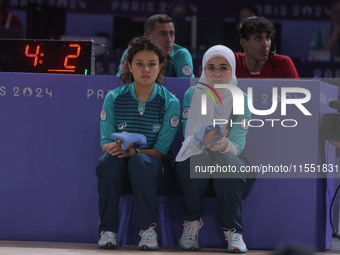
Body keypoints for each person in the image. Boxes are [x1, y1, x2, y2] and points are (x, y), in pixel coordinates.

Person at [96, 36, 180, 250]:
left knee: (140, 162)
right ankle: (108, 231)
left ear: (160, 67)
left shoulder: (170, 102)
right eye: (139, 64)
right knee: (107, 161)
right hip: (122, 171)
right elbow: (105, 142)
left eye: (152, 64)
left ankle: (147, 231)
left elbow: (161, 152)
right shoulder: (114, 98)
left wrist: (134, 153)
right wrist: (119, 149)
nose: (146, 69)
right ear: (129, 67)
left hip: (155, 174)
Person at [175, 45, 255, 253]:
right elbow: (189, 136)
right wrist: (204, 140)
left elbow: (238, 144)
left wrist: (225, 145)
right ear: (203, 69)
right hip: (197, 156)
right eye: (211, 68)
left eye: (223, 67)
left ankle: (234, 231)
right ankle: (191, 223)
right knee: (195, 158)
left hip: (227, 160)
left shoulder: (242, 99)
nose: (217, 73)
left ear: (233, 70)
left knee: (227, 162)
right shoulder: (192, 94)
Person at [117, 14, 194, 78]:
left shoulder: (181, 54)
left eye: (172, 33)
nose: (169, 39)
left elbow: (188, 88)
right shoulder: (132, 52)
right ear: (147, 37)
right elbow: (120, 83)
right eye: (162, 33)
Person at [235, 16, 299, 78]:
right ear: (243, 43)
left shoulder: (283, 64)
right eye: (258, 39)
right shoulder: (231, 62)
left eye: (268, 38)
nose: (265, 45)